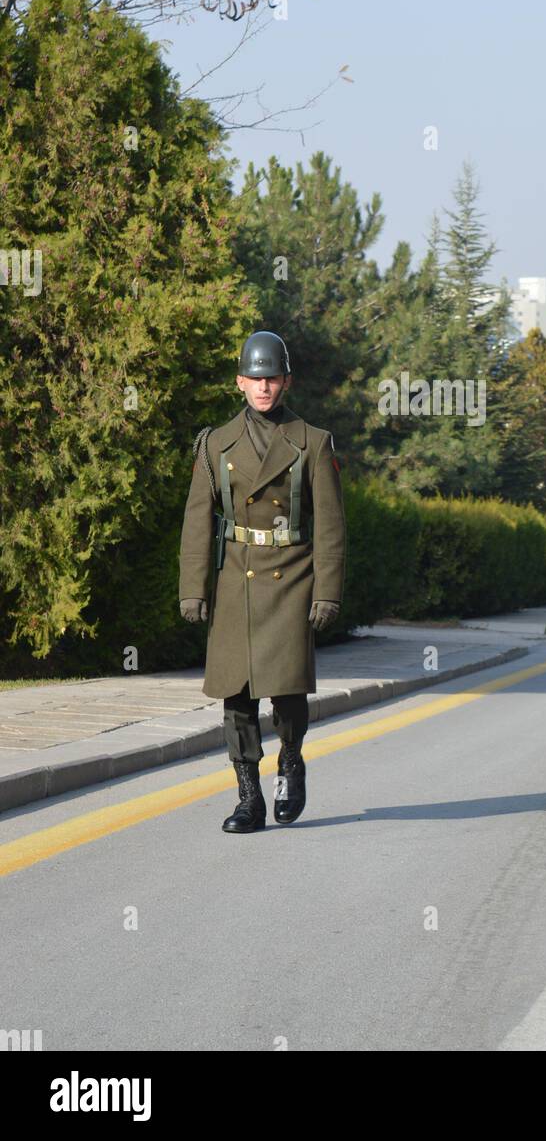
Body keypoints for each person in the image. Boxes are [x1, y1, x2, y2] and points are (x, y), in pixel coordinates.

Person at [178, 331, 346, 832]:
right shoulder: (214, 444)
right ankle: (248, 797)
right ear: (239, 382)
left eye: (272, 377)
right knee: (238, 695)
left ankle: (290, 761)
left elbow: (332, 525)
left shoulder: (312, 442)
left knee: (287, 692)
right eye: (255, 378)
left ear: (286, 381)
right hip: (235, 579)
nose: (264, 387)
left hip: (292, 575)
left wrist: (327, 591)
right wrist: (193, 586)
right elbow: (197, 519)